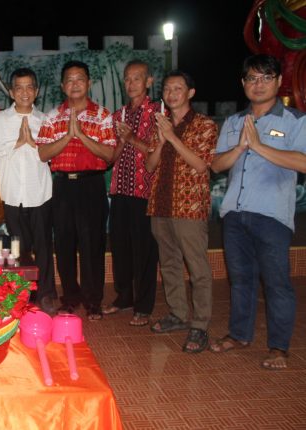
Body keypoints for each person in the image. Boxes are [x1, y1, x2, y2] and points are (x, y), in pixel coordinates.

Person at [210, 54, 306, 369]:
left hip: (272, 217)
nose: (259, 84)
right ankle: (239, 334)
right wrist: (239, 146)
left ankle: (278, 347)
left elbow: (303, 161)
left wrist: (259, 146)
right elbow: (216, 164)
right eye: (252, 78)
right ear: (243, 84)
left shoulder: (295, 120)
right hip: (235, 215)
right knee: (240, 280)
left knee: (276, 282)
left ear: (279, 82)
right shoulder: (235, 122)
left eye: (266, 77)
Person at [36, 61, 116, 320]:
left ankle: (93, 301)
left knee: (93, 244)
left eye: (80, 79)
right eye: (69, 80)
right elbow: (43, 153)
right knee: (65, 243)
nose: (75, 84)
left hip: (91, 184)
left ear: (89, 83)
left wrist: (81, 135)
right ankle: (70, 297)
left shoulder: (102, 115)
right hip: (61, 186)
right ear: (62, 86)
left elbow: (109, 155)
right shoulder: (52, 116)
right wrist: (67, 136)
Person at [146, 70, 218, 354]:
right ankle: (178, 313)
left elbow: (201, 165)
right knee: (170, 263)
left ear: (190, 93)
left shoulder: (204, 125)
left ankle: (200, 325)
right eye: (167, 88)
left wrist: (172, 137)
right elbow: (151, 165)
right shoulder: (161, 126)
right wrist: (163, 138)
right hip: (161, 204)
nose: (171, 93)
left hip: (189, 206)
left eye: (178, 88)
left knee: (198, 267)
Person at [0, 67, 55, 311]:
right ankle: (22, 296)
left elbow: (55, 156)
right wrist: (16, 142)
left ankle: (45, 295)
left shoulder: (46, 121)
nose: (24, 92)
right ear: (12, 92)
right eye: (19, 87)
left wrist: (33, 144)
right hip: (12, 195)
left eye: (29, 87)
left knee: (43, 247)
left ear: (37, 91)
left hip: (40, 194)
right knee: (17, 248)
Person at [103, 60, 160, 326]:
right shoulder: (119, 115)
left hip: (145, 193)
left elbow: (157, 151)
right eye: (127, 79)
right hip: (120, 190)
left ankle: (144, 305)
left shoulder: (159, 113)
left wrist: (131, 138)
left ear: (149, 81)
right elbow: (112, 155)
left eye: (137, 78)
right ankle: (124, 296)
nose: (131, 83)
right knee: (121, 247)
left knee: (145, 251)